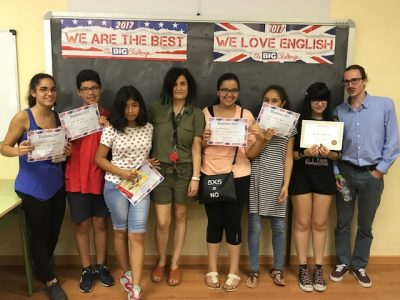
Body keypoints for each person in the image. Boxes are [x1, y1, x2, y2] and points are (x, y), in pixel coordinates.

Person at [0, 73, 71, 300]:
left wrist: (66, 152)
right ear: (33, 93)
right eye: (43, 89)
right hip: (32, 188)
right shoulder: (23, 117)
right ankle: (50, 280)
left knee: (54, 232)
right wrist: (17, 150)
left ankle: (41, 267)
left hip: (56, 185)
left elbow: (58, 151)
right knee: (39, 235)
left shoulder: (58, 118)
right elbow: (3, 146)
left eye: (52, 89)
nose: (49, 93)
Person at [330, 65, 400, 288]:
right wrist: (337, 174)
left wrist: (380, 170)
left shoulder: (385, 105)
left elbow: (393, 141)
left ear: (364, 81)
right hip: (346, 173)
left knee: (365, 224)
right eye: (347, 81)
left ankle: (359, 264)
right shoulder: (339, 111)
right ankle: (343, 262)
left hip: (372, 174)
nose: (350, 85)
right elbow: (334, 146)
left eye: (355, 80)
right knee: (343, 222)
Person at [201, 73, 260, 292]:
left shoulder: (246, 115)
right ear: (218, 91)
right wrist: (204, 142)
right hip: (210, 174)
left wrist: (261, 138)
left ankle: (234, 270)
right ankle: (212, 269)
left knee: (233, 223)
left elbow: (252, 153)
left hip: (238, 176)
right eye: (225, 90)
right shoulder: (205, 114)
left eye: (234, 90)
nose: (229, 94)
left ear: (239, 93)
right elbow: (195, 148)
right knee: (214, 223)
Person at [95, 85, 153, 300]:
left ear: (140, 106)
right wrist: (123, 173)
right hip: (115, 186)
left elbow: (144, 156)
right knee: (120, 231)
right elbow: (99, 159)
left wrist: (148, 164)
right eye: (126, 106)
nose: (130, 110)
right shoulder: (111, 129)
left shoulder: (149, 128)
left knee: (137, 235)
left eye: (134, 105)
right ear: (119, 108)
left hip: (140, 188)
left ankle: (136, 287)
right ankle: (127, 273)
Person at [149, 67, 204, 286]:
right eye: (174, 84)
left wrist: (196, 178)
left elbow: (197, 147)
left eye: (183, 83)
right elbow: (142, 135)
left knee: (181, 217)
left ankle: (175, 264)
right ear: (168, 87)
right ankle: (161, 261)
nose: (178, 88)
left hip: (184, 171)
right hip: (159, 171)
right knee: (163, 222)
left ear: (188, 87)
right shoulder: (155, 109)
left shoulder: (196, 114)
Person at [64, 69, 114, 293]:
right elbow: (61, 149)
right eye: (85, 89)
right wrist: (63, 149)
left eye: (94, 88)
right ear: (79, 92)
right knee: (82, 224)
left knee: (101, 224)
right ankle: (86, 268)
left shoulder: (110, 116)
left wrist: (108, 126)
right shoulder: (70, 119)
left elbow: (121, 147)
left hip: (103, 178)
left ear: (101, 90)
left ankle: (101, 266)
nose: (90, 92)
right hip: (76, 179)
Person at [289, 82, 340, 292]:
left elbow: (338, 154)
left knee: (319, 223)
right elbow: (291, 155)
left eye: (324, 99)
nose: (319, 103)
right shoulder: (298, 123)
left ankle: (318, 269)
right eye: (316, 99)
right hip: (301, 177)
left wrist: (328, 154)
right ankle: (303, 267)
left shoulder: (334, 122)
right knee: (301, 222)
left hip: (324, 178)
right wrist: (305, 153)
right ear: (309, 100)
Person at [246, 85, 295, 289]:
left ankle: (277, 269)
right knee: (255, 227)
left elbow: (289, 158)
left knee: (279, 228)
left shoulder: (291, 127)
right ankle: (254, 270)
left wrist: (286, 185)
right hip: (257, 178)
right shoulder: (255, 124)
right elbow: (250, 154)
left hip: (277, 181)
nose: (270, 104)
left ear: (283, 104)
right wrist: (263, 137)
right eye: (267, 100)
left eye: (275, 101)